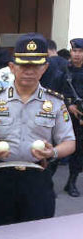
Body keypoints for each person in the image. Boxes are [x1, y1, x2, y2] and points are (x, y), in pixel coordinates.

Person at [0, 33, 75, 228]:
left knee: (37, 237)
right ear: (12, 67)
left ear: (45, 67)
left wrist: (52, 152)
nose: (29, 71)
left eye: (35, 65)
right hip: (0, 178)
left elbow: (69, 142)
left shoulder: (54, 102)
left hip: (37, 177)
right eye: (23, 65)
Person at [62, 38, 83, 197]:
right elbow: (54, 91)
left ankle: (71, 182)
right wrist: (68, 105)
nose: (77, 54)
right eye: (74, 51)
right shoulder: (63, 70)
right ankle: (46, 181)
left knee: (78, 152)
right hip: (64, 117)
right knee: (58, 149)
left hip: (80, 119)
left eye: (80, 51)